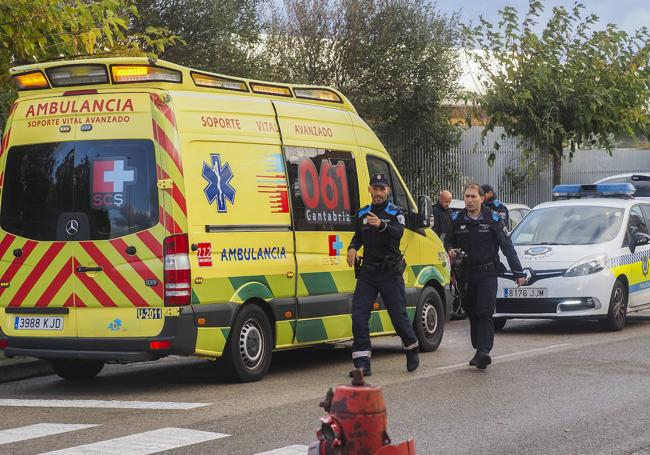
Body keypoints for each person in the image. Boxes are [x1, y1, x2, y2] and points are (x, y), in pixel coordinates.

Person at [346, 173, 419, 376]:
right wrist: (352, 248)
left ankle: (411, 347)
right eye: (375, 188)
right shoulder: (363, 213)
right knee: (359, 316)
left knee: (398, 316)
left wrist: (382, 225)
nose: (378, 193)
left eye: (382, 189)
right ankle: (362, 364)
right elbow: (357, 236)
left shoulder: (395, 212)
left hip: (390, 273)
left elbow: (399, 232)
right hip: (368, 272)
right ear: (369, 189)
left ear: (387, 191)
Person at [446, 183, 525, 370]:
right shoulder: (457, 219)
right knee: (472, 312)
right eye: (467, 197)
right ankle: (478, 349)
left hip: (488, 272)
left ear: (482, 198)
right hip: (465, 274)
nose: (470, 200)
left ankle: (484, 351)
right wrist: (450, 250)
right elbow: (448, 240)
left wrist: (518, 272)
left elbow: (507, 246)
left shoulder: (493, 218)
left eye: (473, 197)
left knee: (485, 311)